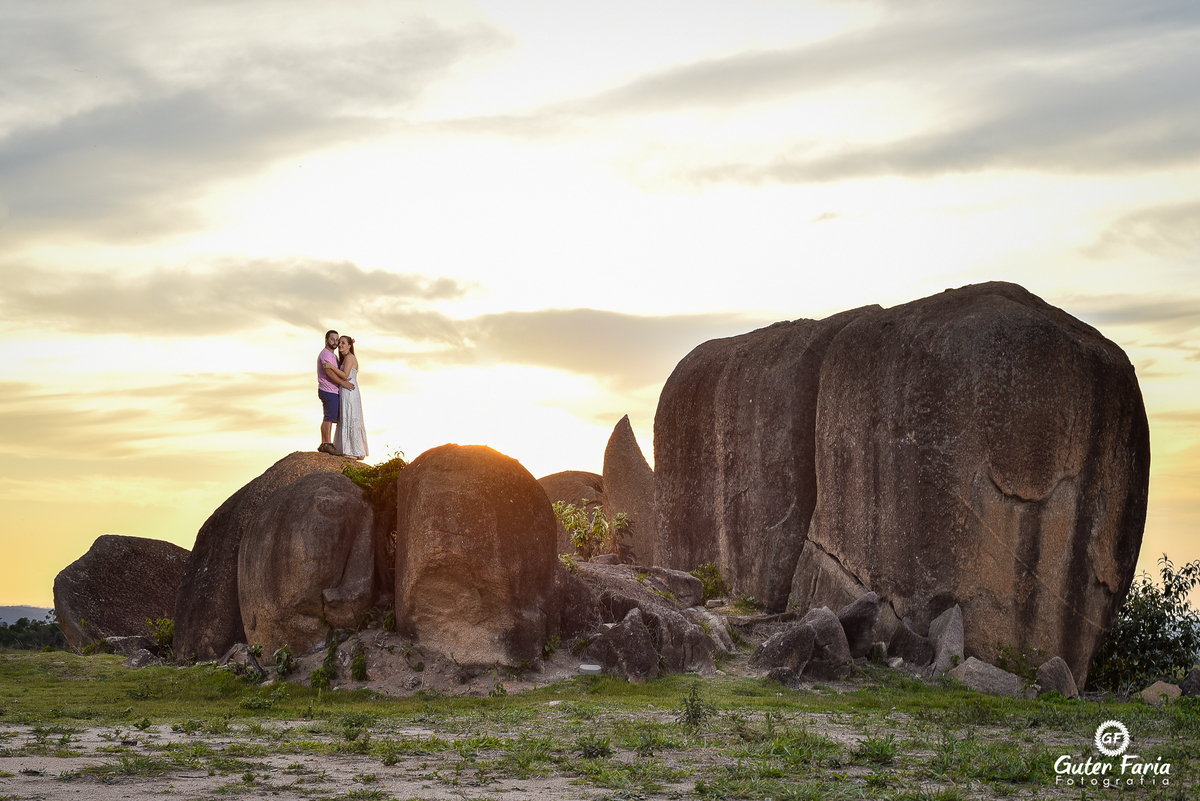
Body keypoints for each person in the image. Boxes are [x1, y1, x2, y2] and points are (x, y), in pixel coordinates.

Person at [330, 335, 369, 460]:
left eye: (343, 343)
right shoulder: (347, 358)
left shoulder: (349, 357)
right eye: (339, 342)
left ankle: (351, 450)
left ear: (349, 346)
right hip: (350, 390)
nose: (340, 345)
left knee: (349, 416)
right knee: (351, 417)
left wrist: (331, 367)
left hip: (349, 390)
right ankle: (356, 449)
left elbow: (345, 375)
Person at [317, 329, 354, 455]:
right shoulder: (326, 354)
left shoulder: (333, 355)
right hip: (327, 389)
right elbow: (329, 372)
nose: (335, 342)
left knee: (330, 416)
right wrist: (343, 383)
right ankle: (327, 443)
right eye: (332, 339)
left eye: (336, 339)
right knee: (329, 417)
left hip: (332, 390)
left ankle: (324, 443)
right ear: (326, 340)